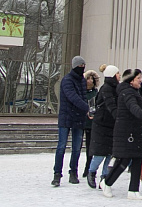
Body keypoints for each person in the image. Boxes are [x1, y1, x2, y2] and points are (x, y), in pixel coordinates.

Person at [102, 69, 142, 199]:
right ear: (131, 81)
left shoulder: (135, 91)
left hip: (134, 129)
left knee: (137, 158)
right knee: (123, 159)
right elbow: (133, 108)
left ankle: (133, 190)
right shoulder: (127, 93)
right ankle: (107, 182)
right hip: (126, 131)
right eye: (138, 78)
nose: (140, 80)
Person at [53, 56, 90, 187]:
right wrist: (87, 108)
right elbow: (72, 97)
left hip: (79, 118)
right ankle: (57, 174)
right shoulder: (67, 80)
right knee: (61, 146)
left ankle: (73, 172)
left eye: (83, 66)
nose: (82, 68)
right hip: (66, 117)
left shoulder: (82, 81)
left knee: (76, 148)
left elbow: (83, 97)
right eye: (80, 66)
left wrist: (87, 110)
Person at [87, 65, 121, 188]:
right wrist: (118, 116)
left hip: (111, 124)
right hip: (102, 125)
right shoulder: (106, 88)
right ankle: (92, 172)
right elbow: (110, 104)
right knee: (100, 153)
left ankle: (105, 177)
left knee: (110, 153)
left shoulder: (116, 88)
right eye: (117, 73)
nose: (119, 76)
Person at [82, 68, 102, 178]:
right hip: (82, 121)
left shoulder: (96, 93)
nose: (90, 81)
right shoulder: (81, 93)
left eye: (92, 79)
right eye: (88, 78)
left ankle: (88, 167)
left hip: (92, 122)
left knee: (90, 147)